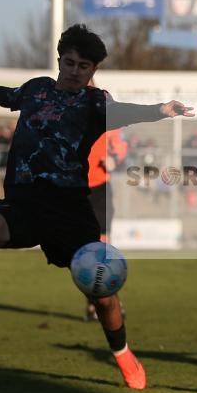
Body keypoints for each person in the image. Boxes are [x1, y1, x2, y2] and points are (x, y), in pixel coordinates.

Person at [0, 24, 194, 390]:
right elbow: (7, 94)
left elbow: (123, 112)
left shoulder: (94, 103)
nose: (76, 71)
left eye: (85, 66)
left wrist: (160, 110)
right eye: (71, 62)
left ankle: (123, 353)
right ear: (60, 60)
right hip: (25, 202)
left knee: (103, 294)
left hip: (70, 210)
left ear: (93, 71)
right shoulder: (36, 89)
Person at [83, 126, 129, 321]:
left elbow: (120, 143)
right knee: (83, 252)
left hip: (100, 189)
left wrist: (115, 158)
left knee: (101, 248)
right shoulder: (69, 110)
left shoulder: (106, 112)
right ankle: (97, 303)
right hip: (74, 187)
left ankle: (106, 302)